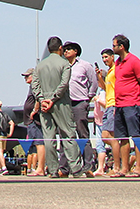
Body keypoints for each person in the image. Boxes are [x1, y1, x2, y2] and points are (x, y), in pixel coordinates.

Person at [32, 36, 82, 178]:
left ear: (48, 49)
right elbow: (64, 84)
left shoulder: (39, 66)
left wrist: (42, 100)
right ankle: (76, 169)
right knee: (68, 135)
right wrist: (53, 99)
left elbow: (34, 85)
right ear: (60, 48)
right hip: (61, 103)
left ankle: (53, 170)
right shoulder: (65, 64)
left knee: (49, 138)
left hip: (44, 105)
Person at [110, 33, 140, 177]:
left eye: (114, 45)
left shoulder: (135, 61)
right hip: (119, 105)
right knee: (122, 138)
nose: (112, 47)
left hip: (132, 103)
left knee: (135, 136)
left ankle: (138, 168)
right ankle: (124, 168)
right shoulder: (117, 63)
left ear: (121, 46)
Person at [61, 41, 98, 175]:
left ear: (76, 51)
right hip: (65, 104)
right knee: (66, 135)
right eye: (64, 50)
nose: (66, 52)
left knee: (82, 134)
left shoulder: (85, 65)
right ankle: (64, 168)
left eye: (69, 49)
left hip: (80, 102)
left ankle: (88, 166)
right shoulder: (62, 66)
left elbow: (93, 82)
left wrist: (89, 97)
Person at [21, 68, 46, 176]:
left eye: (27, 76)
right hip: (30, 121)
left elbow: (38, 98)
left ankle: (40, 168)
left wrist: (34, 111)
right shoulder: (32, 87)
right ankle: (39, 167)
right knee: (35, 145)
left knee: (39, 143)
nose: (25, 78)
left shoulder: (35, 86)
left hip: (34, 120)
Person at [97, 49, 116, 175]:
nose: (104, 60)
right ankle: (118, 162)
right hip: (109, 106)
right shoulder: (109, 72)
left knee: (110, 137)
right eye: (102, 58)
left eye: (106, 57)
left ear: (112, 57)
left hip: (114, 105)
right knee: (107, 137)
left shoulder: (116, 69)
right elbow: (107, 88)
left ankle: (117, 165)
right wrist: (100, 79)